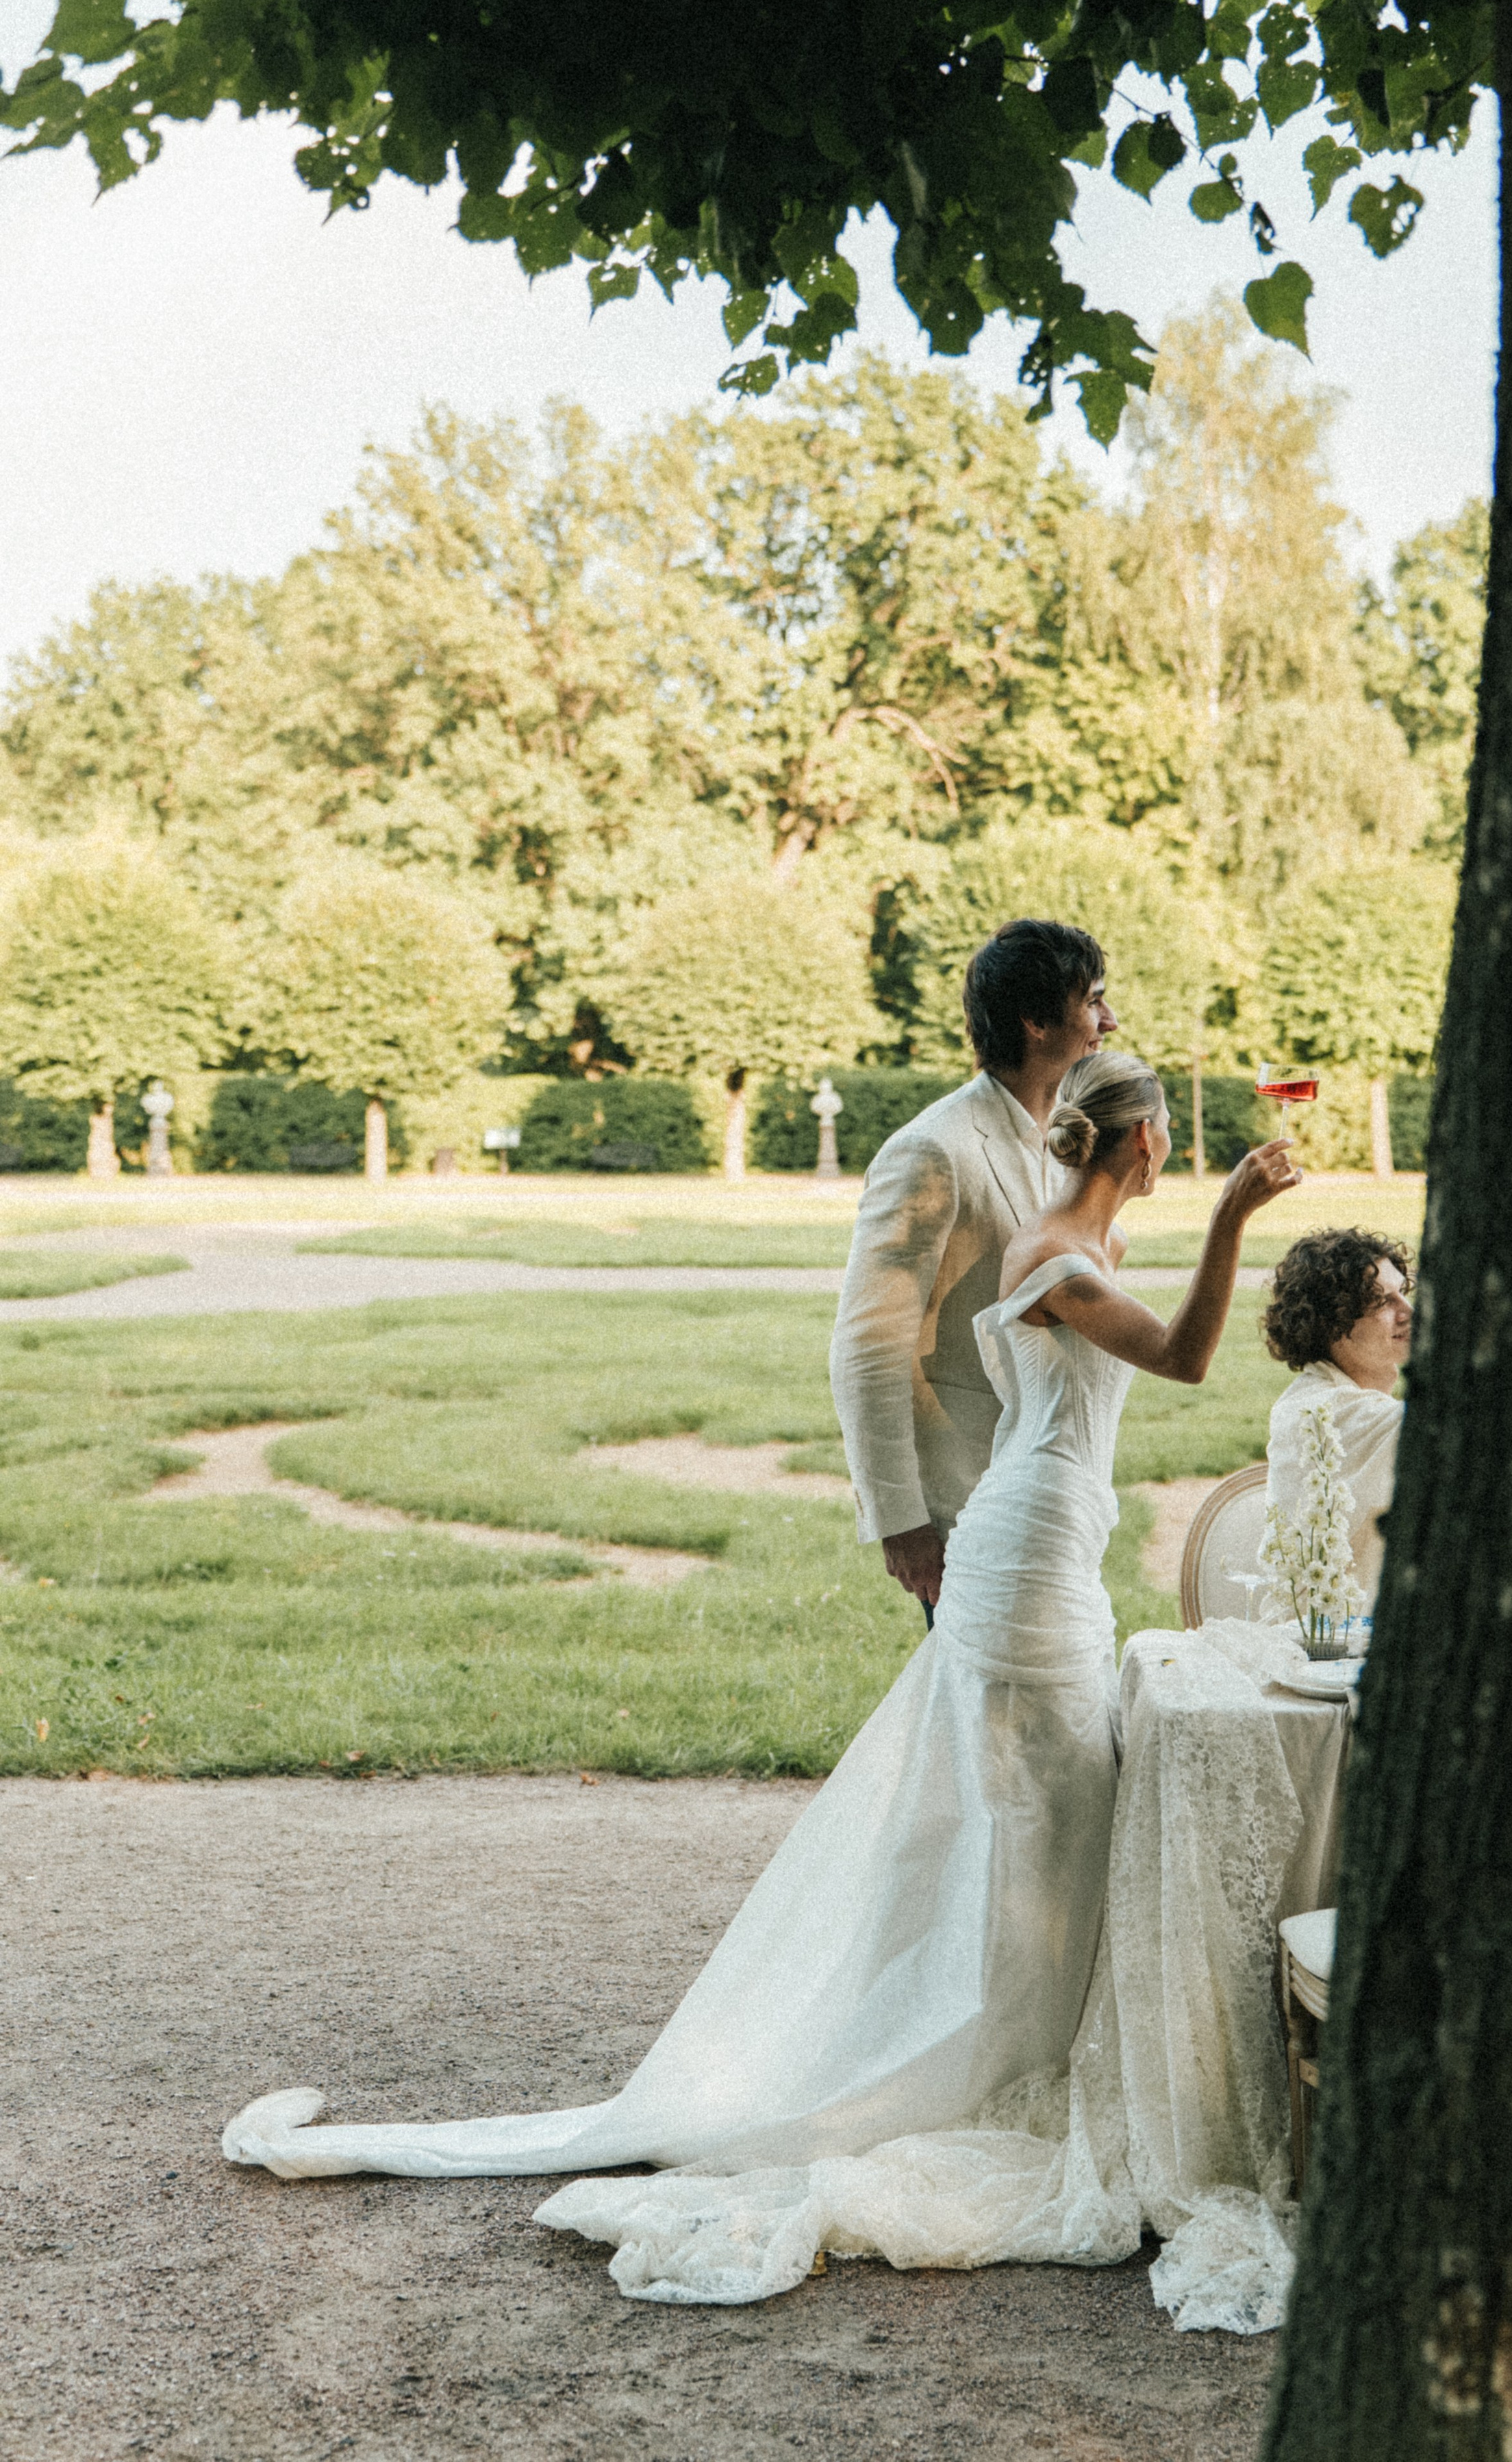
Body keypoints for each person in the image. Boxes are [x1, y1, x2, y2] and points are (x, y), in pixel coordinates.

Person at [220, 1053, 1300, 2306]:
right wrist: (1234, 1222)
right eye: (1172, 1145)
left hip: (1048, 1549)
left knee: (1047, 1818)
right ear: (1148, 1147)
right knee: (1045, 1817)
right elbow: (1188, 1358)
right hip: (1024, 1566)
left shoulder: (1067, 1242)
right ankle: (981, 2067)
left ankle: (1033, 2044)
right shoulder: (1057, 1260)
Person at [829, 916, 1115, 1621]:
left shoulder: (1067, 1139)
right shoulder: (931, 1151)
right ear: (1035, 1022)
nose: (1108, 1019)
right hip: (965, 1498)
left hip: (1048, 1485)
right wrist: (901, 1519)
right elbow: (867, 1345)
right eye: (1092, 1000)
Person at [1260, 1229, 1414, 1609]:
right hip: (1320, 1646)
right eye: (1382, 1302)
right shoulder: (1324, 1410)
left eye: (1403, 1293)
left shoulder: (1335, 1396)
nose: (1407, 1311)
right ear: (1331, 1325)